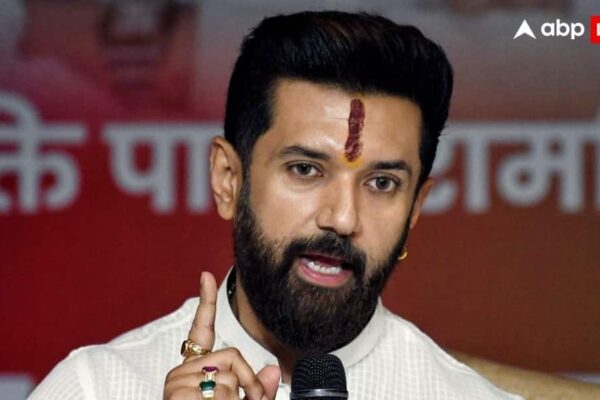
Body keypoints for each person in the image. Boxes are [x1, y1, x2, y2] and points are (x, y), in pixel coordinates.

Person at [29, 11, 523, 400]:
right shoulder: (95, 388)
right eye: (305, 170)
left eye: (381, 183)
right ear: (228, 179)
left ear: (415, 209)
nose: (342, 218)